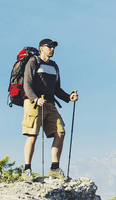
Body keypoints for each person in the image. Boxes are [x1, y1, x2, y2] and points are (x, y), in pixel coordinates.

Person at [21, 38, 78, 181]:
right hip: (34, 103)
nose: (52, 49)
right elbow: (26, 85)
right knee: (32, 135)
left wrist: (68, 97)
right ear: (41, 48)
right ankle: (27, 169)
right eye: (49, 46)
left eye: (53, 47)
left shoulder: (54, 66)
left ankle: (54, 167)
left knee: (60, 132)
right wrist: (35, 99)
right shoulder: (33, 62)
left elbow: (56, 89)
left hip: (50, 104)